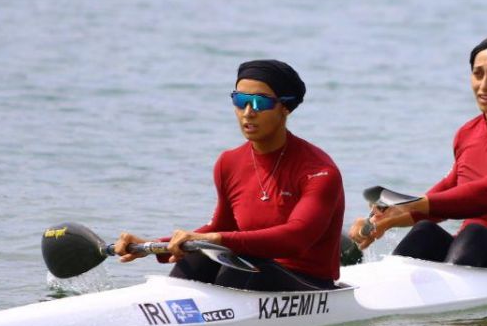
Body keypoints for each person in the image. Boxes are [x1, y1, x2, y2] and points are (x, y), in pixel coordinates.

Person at [115, 60, 344, 291]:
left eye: (260, 102)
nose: (248, 113)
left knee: (238, 262)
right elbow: (222, 226)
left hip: (308, 285)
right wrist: (153, 245)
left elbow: (296, 238)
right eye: (240, 101)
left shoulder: (319, 171)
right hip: (253, 277)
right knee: (199, 255)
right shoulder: (229, 162)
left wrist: (217, 240)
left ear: (285, 107)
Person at [349, 34, 487, 268]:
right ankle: (387, 283)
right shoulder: (468, 132)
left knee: (475, 234)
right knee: (425, 231)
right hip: (472, 252)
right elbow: (448, 193)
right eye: (478, 74)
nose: (484, 85)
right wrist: (385, 220)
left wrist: (407, 203)